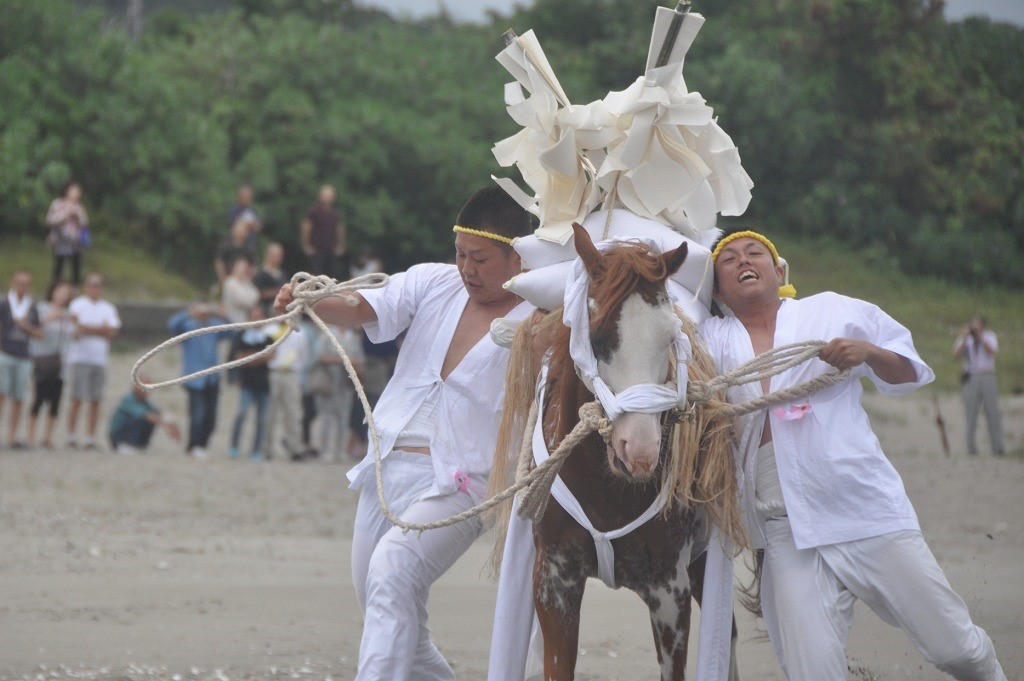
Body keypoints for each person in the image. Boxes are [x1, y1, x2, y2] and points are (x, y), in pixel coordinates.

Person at [699, 229, 1006, 681]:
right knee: (811, 672)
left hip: (864, 507)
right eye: (728, 260)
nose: (744, 260)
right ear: (717, 290)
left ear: (778, 270)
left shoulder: (831, 310)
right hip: (785, 527)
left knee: (957, 649)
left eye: (755, 252)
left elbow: (906, 369)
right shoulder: (710, 339)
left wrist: (868, 352)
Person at [273, 184, 532, 681]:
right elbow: (360, 306)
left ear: (517, 258)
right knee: (387, 609)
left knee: (392, 573)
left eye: (480, 258)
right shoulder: (434, 282)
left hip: (465, 480)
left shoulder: (542, 314)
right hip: (387, 463)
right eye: (460, 254)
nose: (466, 268)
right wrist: (310, 301)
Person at [167, 300, 235, 459]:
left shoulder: (214, 326)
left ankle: (202, 445)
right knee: (197, 415)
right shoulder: (188, 326)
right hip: (194, 378)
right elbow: (172, 326)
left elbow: (232, 332)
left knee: (211, 417)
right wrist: (188, 312)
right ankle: (193, 446)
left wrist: (225, 316)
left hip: (212, 378)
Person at [65, 273, 121, 450]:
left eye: (98, 285)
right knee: (76, 398)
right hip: (79, 357)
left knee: (95, 399)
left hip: (99, 359)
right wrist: (101, 329)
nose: (95, 288)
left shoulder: (108, 308)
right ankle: (71, 435)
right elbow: (75, 329)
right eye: (92, 284)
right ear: (86, 286)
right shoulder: (77, 304)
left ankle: (90, 437)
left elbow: (112, 332)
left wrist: (87, 328)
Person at [26, 281, 76, 449]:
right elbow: (33, 328)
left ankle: (48, 436)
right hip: (42, 359)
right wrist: (50, 318)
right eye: (60, 291)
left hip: (61, 361)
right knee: (39, 397)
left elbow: (74, 336)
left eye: (66, 293)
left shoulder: (69, 314)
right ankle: (30, 435)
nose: (63, 296)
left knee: (55, 400)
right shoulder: (42, 308)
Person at [0, 271, 42, 449]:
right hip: (5, 353)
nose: (22, 287)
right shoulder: (4, 304)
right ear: (13, 283)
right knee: (1, 394)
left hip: (23, 355)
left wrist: (26, 326)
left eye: (26, 284)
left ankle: (12, 436)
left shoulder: (31, 307)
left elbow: (39, 333)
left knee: (18, 397)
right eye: (20, 283)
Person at [953, 315, 1004, 457]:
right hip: (971, 377)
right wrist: (964, 339)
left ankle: (998, 447)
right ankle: (971, 448)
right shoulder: (965, 338)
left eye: (977, 325)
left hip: (987, 376)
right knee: (970, 413)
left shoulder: (989, 336)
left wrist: (981, 337)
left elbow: (993, 352)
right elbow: (956, 355)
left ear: (983, 326)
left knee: (992, 412)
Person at [312, 323, 365, 462]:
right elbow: (319, 356)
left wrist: (353, 364)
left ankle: (341, 450)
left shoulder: (353, 337)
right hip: (330, 381)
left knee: (344, 417)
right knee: (327, 416)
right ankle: (326, 450)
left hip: (346, 383)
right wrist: (342, 360)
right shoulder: (327, 335)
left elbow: (359, 359)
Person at [228, 307, 273, 461]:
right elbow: (238, 357)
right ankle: (234, 447)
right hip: (246, 383)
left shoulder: (268, 338)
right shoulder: (241, 336)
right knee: (242, 414)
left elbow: (271, 357)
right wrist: (259, 357)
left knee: (261, 420)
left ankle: (256, 450)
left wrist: (250, 358)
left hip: (263, 383)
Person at [264, 319, 307, 460]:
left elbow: (303, 354)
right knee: (270, 411)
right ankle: (266, 447)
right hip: (273, 372)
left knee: (293, 412)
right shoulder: (269, 330)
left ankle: (295, 447)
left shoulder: (299, 332)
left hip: (291, 374)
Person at [108, 382, 181, 455]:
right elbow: (146, 415)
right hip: (118, 437)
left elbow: (160, 414)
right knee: (140, 418)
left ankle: (141, 445)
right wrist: (166, 426)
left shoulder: (146, 401)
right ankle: (126, 445)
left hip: (136, 437)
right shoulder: (128, 400)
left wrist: (172, 424)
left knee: (151, 418)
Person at [45, 181, 89, 285]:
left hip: (75, 242)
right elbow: (50, 220)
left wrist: (78, 216)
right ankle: (55, 287)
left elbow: (85, 223)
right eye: (74, 190)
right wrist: (67, 215)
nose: (77, 193)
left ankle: (75, 288)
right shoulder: (57, 203)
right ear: (67, 191)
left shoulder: (79, 206)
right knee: (59, 266)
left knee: (76, 266)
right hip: (61, 240)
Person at [299, 184, 346, 278]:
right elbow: (306, 227)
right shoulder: (313, 211)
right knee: (316, 277)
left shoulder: (335, 213)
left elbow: (339, 229)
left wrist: (340, 245)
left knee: (331, 278)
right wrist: (306, 245)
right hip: (317, 250)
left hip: (331, 250)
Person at [214, 217, 259, 285]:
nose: (244, 232)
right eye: (241, 229)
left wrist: (248, 279)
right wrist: (223, 280)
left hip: (243, 281)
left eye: (246, 230)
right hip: (227, 279)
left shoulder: (248, 248)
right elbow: (219, 263)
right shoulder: (226, 245)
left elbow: (253, 267)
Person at [221, 255, 260, 324]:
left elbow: (256, 296)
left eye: (245, 268)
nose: (243, 270)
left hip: (246, 322)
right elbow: (242, 300)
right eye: (241, 267)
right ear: (234, 267)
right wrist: (249, 298)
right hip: (233, 321)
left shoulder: (246, 282)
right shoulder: (230, 282)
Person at [253, 242, 289, 315]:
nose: (278, 258)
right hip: (266, 308)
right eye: (275, 255)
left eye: (279, 255)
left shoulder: (282, 273)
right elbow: (259, 293)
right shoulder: (260, 273)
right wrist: (278, 292)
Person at [227, 184, 262, 250]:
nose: (246, 199)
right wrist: (247, 223)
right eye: (244, 197)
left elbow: (258, 227)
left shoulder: (253, 211)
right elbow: (233, 225)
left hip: (250, 244)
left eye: (248, 197)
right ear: (239, 197)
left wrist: (251, 224)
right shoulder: (234, 210)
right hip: (236, 243)